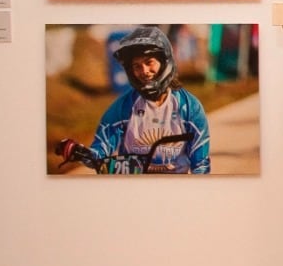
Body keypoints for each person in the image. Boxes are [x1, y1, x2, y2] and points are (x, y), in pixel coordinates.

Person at [89, 26, 210, 174]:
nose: (144, 71)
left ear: (164, 62)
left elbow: (201, 164)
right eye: (137, 66)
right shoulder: (124, 107)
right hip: (133, 189)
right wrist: (84, 154)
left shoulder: (188, 106)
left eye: (149, 62)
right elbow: (100, 149)